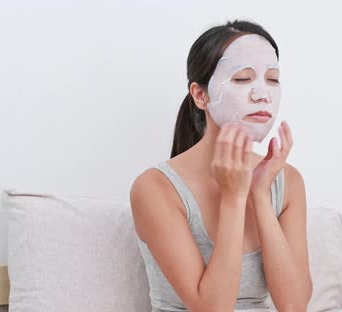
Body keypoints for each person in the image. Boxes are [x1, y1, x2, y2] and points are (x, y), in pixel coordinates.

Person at [130, 19, 312, 312]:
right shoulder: (155, 188)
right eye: (242, 79)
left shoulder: (286, 181)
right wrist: (234, 196)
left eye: (273, 79)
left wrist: (260, 194)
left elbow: (294, 305)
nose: (262, 94)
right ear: (200, 95)